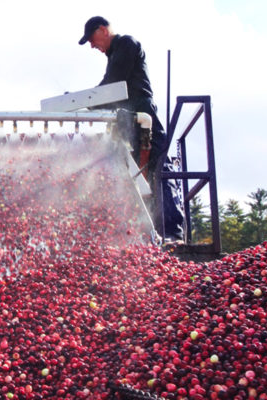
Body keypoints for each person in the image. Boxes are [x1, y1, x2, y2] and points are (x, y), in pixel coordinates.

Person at [78, 16, 184, 242]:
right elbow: (110, 88)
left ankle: (172, 232)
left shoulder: (127, 44)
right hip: (130, 117)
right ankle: (147, 231)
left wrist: (81, 101)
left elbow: (113, 86)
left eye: (92, 39)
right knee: (137, 172)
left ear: (103, 29)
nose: (92, 45)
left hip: (143, 112)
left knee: (159, 163)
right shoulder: (114, 55)